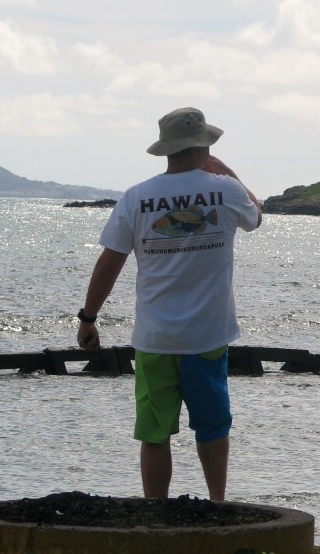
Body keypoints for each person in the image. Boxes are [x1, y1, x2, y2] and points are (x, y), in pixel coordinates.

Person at [76, 106, 262, 501]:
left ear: (165, 149)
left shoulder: (137, 196)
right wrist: (227, 171)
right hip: (207, 337)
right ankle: (216, 506)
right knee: (212, 427)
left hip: (155, 338)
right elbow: (256, 215)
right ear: (203, 145)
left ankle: (155, 514)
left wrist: (89, 317)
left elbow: (110, 260)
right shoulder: (226, 190)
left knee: (154, 432)